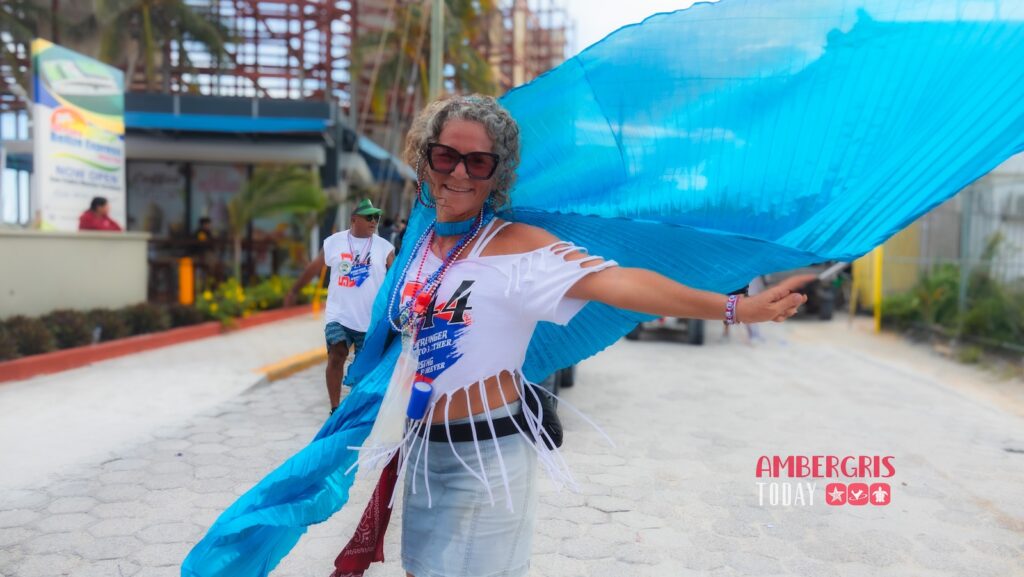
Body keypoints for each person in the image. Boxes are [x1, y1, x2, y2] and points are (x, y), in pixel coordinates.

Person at [342, 94, 811, 577]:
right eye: (446, 156)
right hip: (418, 451)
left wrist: (735, 307)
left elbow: (621, 282)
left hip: (486, 460)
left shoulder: (518, 249)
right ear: (425, 158)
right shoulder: (418, 248)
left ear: (496, 175)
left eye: (478, 162)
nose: (459, 173)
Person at [286, 199, 395, 414]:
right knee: (337, 352)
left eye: (376, 217)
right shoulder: (333, 242)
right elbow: (314, 268)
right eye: (369, 217)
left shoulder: (385, 248)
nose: (374, 221)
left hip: (370, 319)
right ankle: (335, 408)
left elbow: (397, 278)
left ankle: (357, 409)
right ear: (354, 219)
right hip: (339, 314)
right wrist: (294, 290)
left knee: (363, 368)